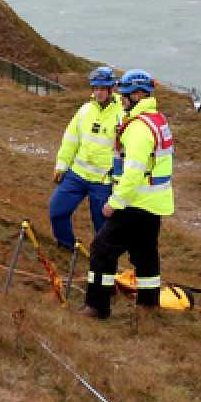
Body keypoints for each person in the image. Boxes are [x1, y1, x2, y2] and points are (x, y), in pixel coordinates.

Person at [81, 69, 174, 319]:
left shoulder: (139, 128)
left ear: (138, 95)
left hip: (135, 201)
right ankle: (148, 306)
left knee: (101, 249)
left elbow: (133, 172)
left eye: (124, 94)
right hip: (154, 201)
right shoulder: (157, 120)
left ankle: (97, 306)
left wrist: (114, 202)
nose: (120, 98)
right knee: (145, 255)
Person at [49, 66, 121, 251]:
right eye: (95, 88)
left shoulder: (123, 114)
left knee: (103, 227)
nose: (98, 92)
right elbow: (70, 140)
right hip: (77, 175)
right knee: (57, 211)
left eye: (102, 88)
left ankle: (101, 260)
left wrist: (119, 180)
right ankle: (67, 247)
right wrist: (61, 166)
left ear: (111, 88)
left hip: (104, 182)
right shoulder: (85, 110)